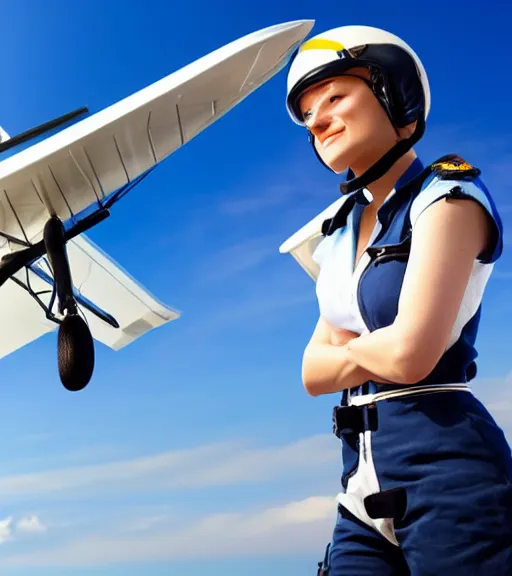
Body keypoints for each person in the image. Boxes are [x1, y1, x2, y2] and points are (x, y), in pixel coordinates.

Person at [283, 25, 512, 575]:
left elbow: (412, 356)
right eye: (309, 113)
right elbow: (311, 374)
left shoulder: (448, 196)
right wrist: (374, 348)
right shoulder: (335, 236)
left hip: (451, 472)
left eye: (334, 96)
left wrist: (353, 350)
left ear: (392, 91)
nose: (317, 120)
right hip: (357, 485)